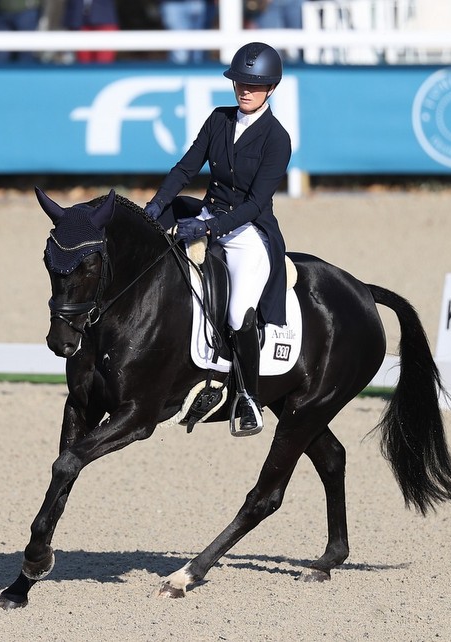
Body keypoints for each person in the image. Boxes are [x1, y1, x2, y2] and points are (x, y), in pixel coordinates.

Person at [143, 42, 290, 436]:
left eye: (253, 86)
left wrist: (208, 230)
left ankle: (249, 399)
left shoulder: (277, 139)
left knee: (238, 309)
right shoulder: (218, 120)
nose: (244, 90)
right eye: (239, 82)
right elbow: (186, 167)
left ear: (271, 88)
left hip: (247, 232)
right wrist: (157, 204)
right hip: (208, 214)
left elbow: (257, 203)